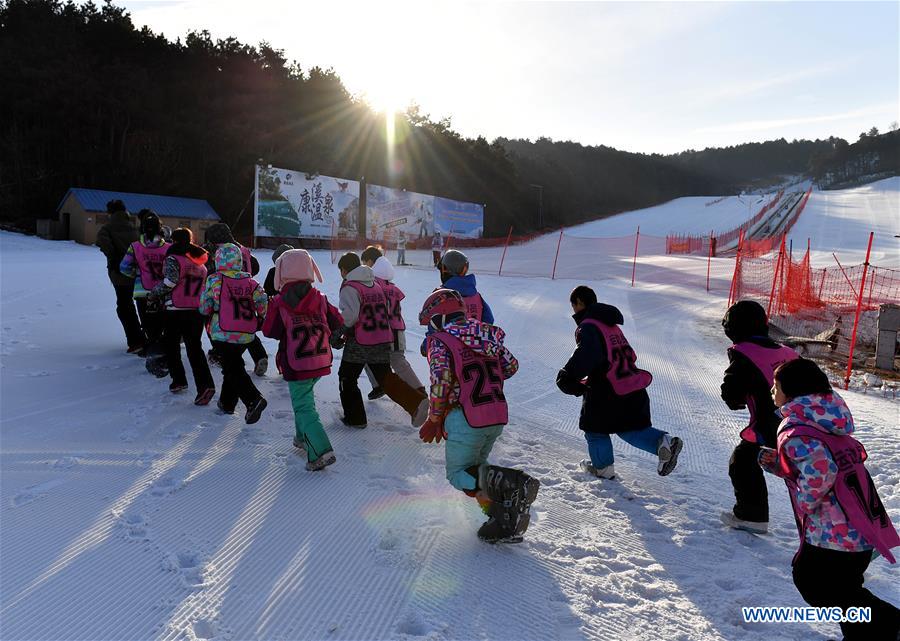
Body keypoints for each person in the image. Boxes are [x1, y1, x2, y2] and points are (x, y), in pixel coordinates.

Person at [760, 358, 899, 641]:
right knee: (845, 592)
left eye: (776, 386)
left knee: (813, 582)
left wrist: (805, 502)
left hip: (832, 536)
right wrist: (781, 466)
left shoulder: (796, 428)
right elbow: (822, 461)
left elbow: (821, 471)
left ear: (792, 392)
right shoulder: (827, 418)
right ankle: (870, 634)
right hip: (858, 528)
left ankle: (891, 623)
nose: (772, 392)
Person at [418, 288, 540, 543]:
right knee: (478, 472)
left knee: (458, 473)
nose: (430, 329)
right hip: (495, 414)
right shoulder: (485, 335)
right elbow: (511, 366)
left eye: (431, 323)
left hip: (466, 417)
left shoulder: (441, 341)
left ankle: (512, 482)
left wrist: (434, 418)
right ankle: (502, 520)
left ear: (439, 318)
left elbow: (440, 383)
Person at [556, 286, 683, 479]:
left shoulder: (589, 325)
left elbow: (588, 354)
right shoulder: (610, 324)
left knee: (594, 428)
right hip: (630, 383)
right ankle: (663, 442)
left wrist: (567, 376)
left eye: (573, 304)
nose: (573, 309)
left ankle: (603, 469)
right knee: (628, 428)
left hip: (608, 389)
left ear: (579, 302)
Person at [719, 300, 798, 534]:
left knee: (743, 461)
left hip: (774, 427)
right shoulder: (787, 352)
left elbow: (732, 395)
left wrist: (737, 396)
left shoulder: (744, 355)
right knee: (814, 473)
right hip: (808, 421)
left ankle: (751, 515)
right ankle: (857, 526)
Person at [262, 249, 343, 471]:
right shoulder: (321, 299)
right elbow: (339, 320)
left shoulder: (279, 302)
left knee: (304, 405)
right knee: (304, 400)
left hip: (296, 363)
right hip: (320, 360)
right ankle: (301, 437)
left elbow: (269, 330)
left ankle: (320, 451)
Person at [335, 252, 428, 428]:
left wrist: (338, 333)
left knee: (347, 378)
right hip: (382, 338)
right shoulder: (374, 284)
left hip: (360, 341)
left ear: (344, 270)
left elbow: (351, 317)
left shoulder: (350, 286)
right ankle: (416, 402)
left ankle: (356, 418)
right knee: (385, 378)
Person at [198, 243, 268, 423]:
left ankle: (253, 399)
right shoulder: (252, 283)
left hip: (222, 332)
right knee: (233, 365)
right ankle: (227, 403)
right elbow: (262, 307)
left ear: (218, 259)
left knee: (232, 367)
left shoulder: (214, 280)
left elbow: (205, 308)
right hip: (246, 334)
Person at [148, 228, 215, 405]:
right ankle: (205, 385)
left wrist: (154, 293)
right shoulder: (200, 261)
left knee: (171, 345)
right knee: (195, 348)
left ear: (174, 240)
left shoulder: (173, 258)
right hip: (196, 310)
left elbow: (170, 281)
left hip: (175, 309)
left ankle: (179, 380)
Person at [203, 223, 268, 377]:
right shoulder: (240, 248)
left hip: (224, 294)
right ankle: (260, 355)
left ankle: (220, 354)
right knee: (246, 325)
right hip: (247, 291)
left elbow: (208, 270)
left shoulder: (216, 251)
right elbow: (256, 266)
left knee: (222, 324)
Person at [362, 252, 425, 400]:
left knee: (397, 360)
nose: (364, 266)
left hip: (387, 329)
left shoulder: (374, 284)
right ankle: (379, 385)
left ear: (371, 262)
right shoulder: (391, 285)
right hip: (395, 328)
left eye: (365, 262)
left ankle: (419, 390)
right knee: (368, 356)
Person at [119, 210, 171, 377]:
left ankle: (154, 356)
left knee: (149, 326)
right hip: (163, 293)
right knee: (162, 325)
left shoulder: (135, 247)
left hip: (142, 293)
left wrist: (137, 274)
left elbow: (124, 268)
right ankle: (163, 358)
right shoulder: (168, 248)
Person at [420, 249, 494, 356]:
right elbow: (488, 321)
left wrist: (426, 345)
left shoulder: (441, 296)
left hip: (449, 355)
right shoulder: (476, 296)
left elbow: (434, 327)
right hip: (475, 353)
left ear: (445, 270)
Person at [96, 199, 145, 353]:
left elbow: (104, 245)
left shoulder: (107, 229)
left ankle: (136, 341)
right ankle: (150, 337)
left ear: (110, 213)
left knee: (124, 306)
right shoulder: (135, 228)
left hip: (120, 275)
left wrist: (115, 259)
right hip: (141, 274)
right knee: (143, 305)